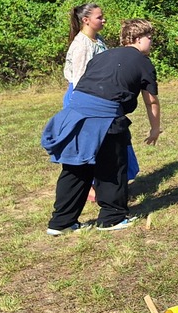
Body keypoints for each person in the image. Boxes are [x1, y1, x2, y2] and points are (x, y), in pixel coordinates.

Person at [42, 19, 161, 234]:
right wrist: (155, 129)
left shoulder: (102, 55)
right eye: (150, 38)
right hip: (104, 118)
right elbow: (151, 100)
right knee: (112, 166)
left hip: (74, 115)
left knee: (75, 169)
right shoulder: (144, 62)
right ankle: (112, 219)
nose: (151, 43)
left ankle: (61, 223)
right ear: (138, 39)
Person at [63, 3, 139, 195]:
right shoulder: (81, 45)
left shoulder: (98, 40)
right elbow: (81, 79)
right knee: (91, 144)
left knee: (111, 142)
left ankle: (111, 184)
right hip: (85, 99)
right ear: (85, 20)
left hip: (100, 97)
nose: (104, 20)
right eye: (99, 17)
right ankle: (92, 187)